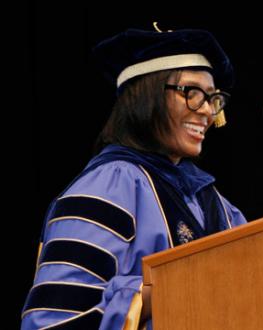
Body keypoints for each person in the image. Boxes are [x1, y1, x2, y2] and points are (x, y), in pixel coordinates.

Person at [22, 25, 247, 329]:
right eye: (192, 93)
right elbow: (56, 318)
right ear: (147, 96)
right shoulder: (109, 186)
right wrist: (159, 292)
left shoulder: (216, 203)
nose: (206, 110)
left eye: (212, 98)